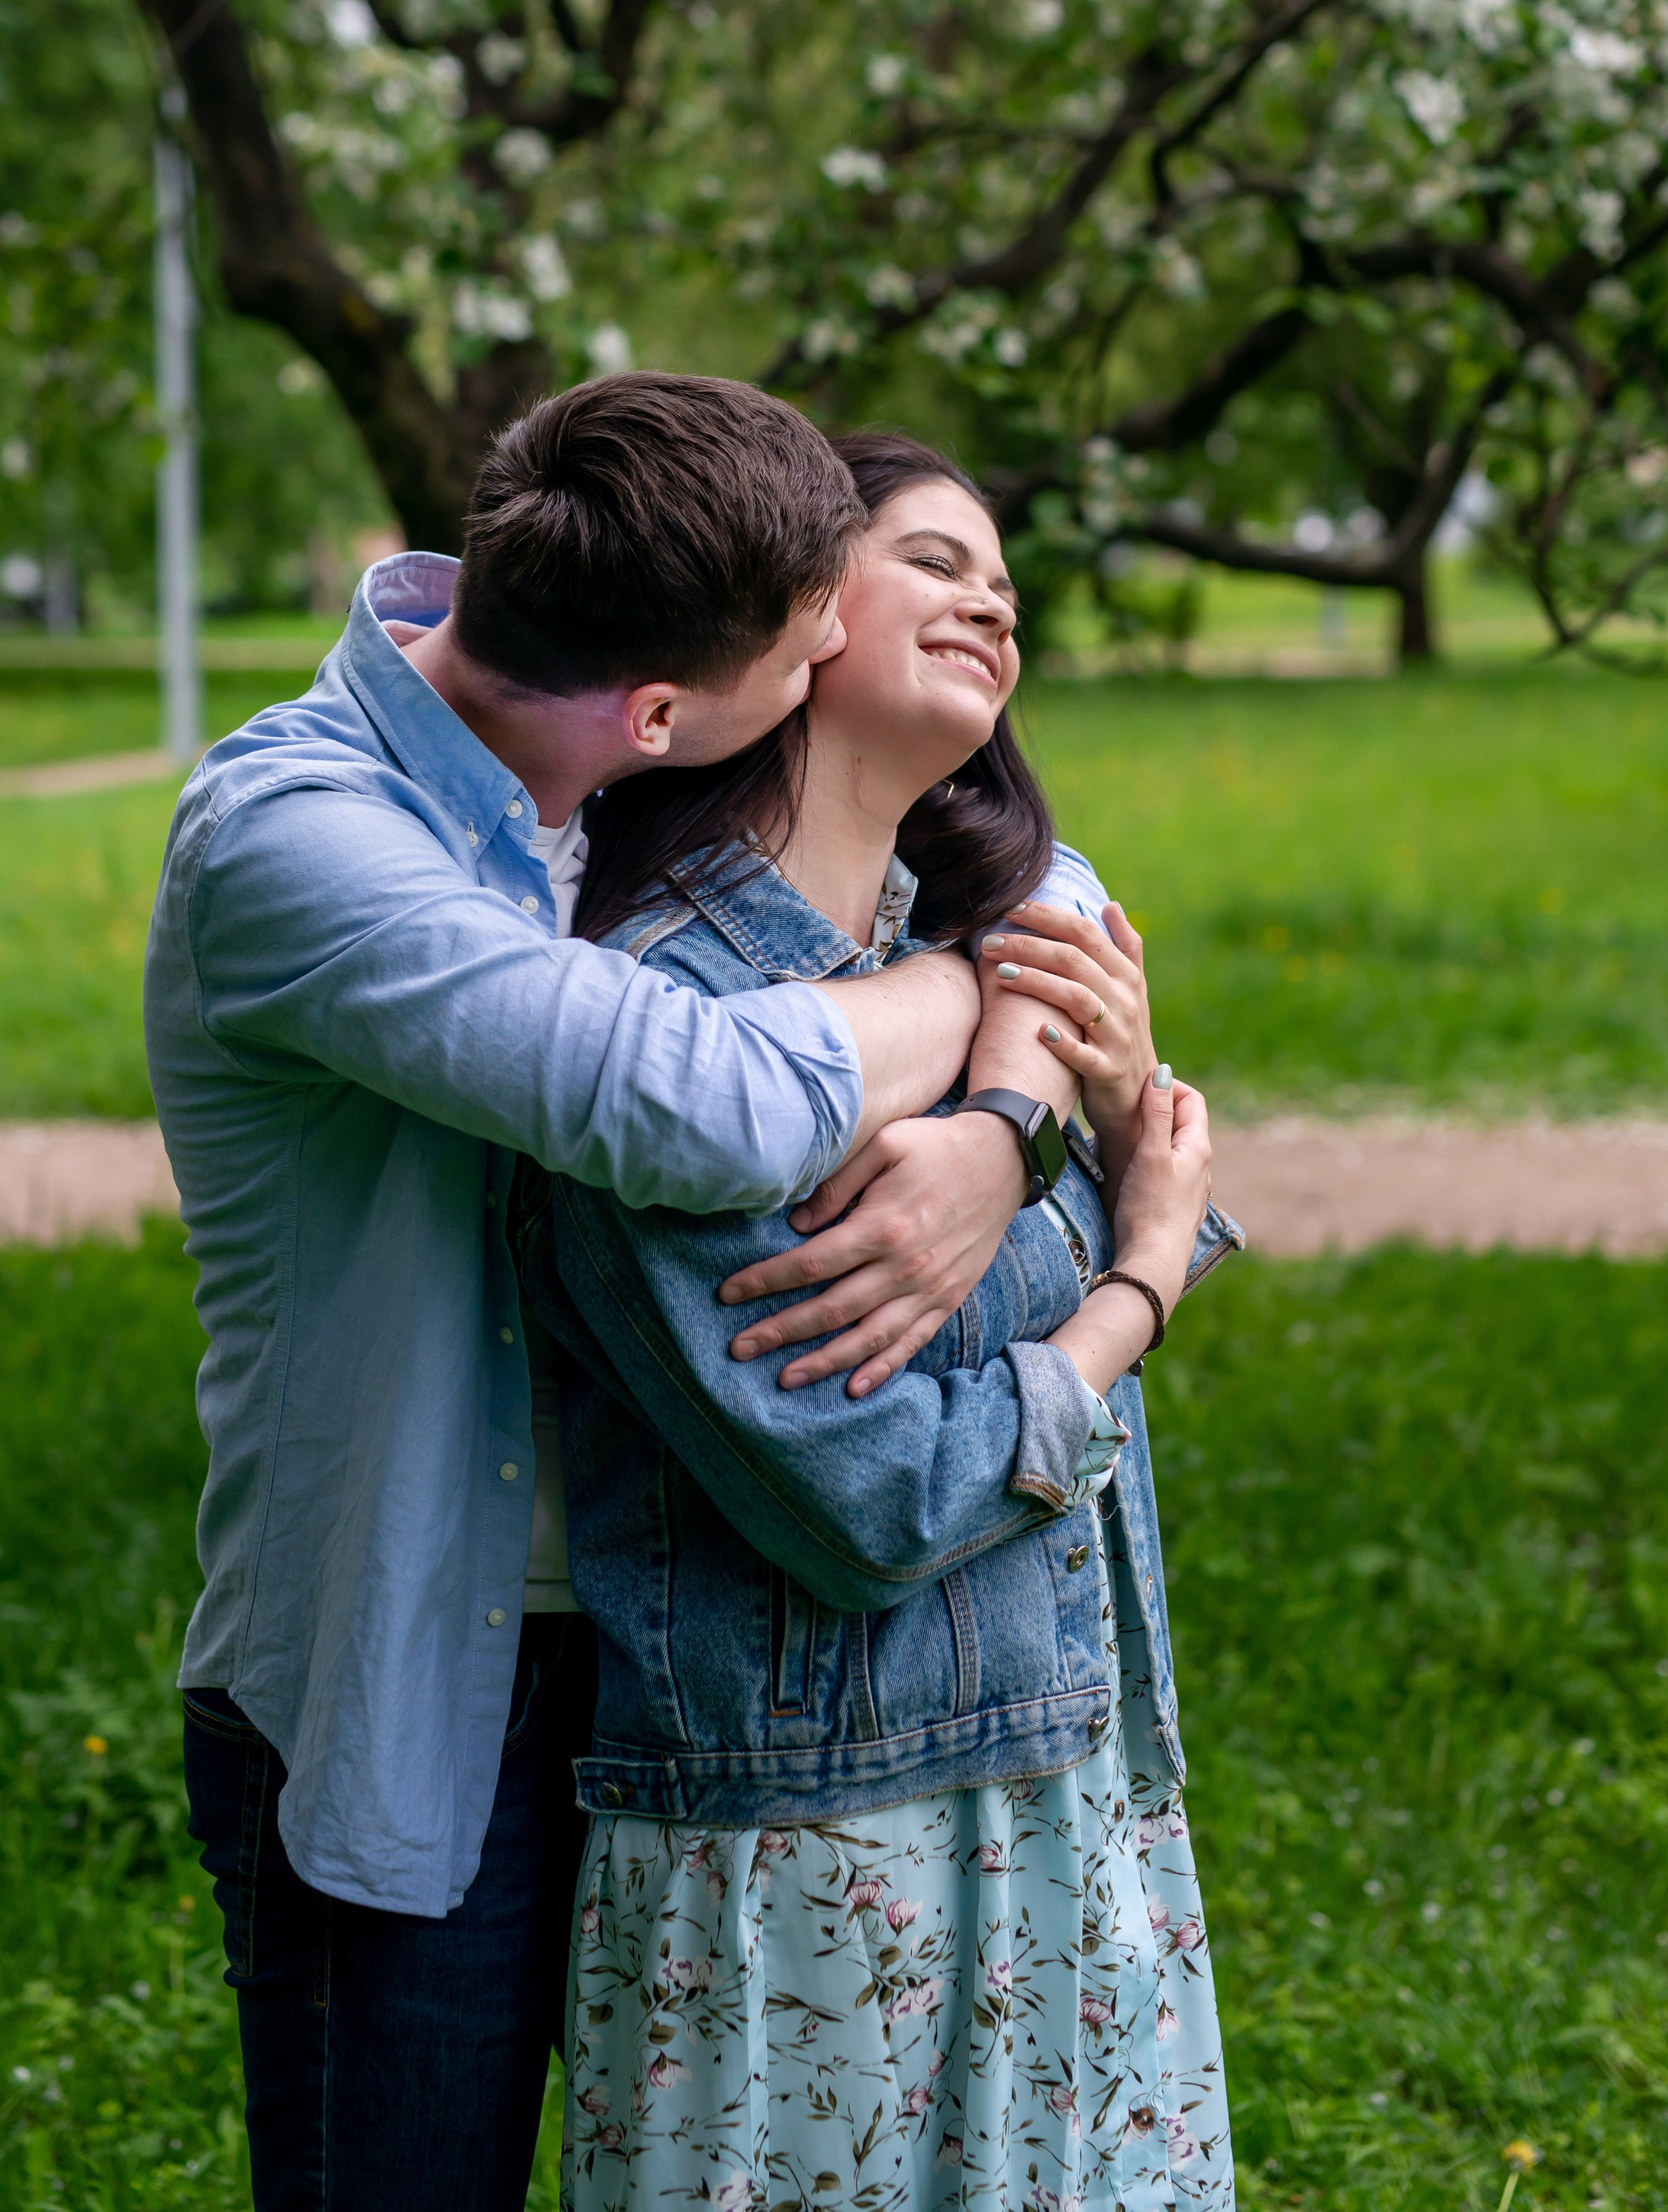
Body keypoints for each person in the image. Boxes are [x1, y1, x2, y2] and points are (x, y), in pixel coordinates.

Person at [150, 378, 1090, 2212]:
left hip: (700, 1670)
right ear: (664, 713)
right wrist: (995, 1015)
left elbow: (1022, 851)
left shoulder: (593, 708)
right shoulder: (295, 839)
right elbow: (695, 1101)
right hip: (422, 1681)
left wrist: (1007, 1119)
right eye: (812, 634)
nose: (833, 657)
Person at [525, 432, 1237, 2212]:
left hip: (1062, 1768)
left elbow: (1079, 988)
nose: (990, 595)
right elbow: (868, 1500)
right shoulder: (662, 1033)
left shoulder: (977, 947)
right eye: (934, 558)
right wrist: (1140, 1273)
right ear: (794, 607)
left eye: (1002, 576)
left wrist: (1022, 1141)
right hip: (811, 1847)